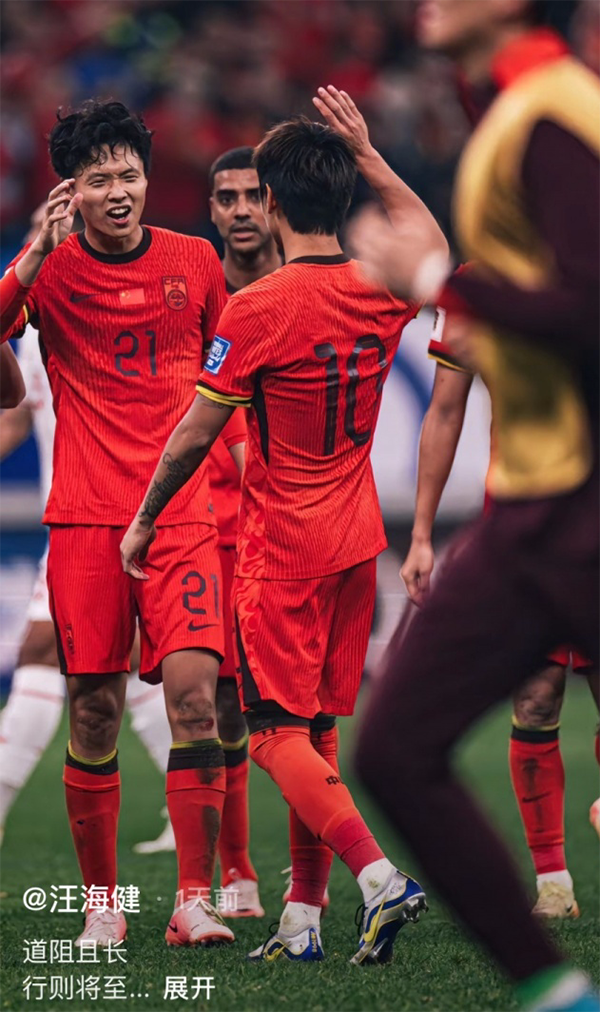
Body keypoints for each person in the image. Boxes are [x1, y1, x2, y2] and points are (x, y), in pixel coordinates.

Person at [120, 89, 448, 965]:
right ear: (343, 194)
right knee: (317, 728)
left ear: (268, 202)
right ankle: (303, 920)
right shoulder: (379, 285)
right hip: (358, 542)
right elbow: (432, 246)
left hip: (285, 549)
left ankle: (379, 876)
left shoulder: (259, 308)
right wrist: (369, 152)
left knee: (269, 734)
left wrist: (145, 518)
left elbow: (196, 433)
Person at [352, 1, 600, 1009]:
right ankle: (558, 992)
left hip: (584, 504)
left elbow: (590, 311)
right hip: (529, 511)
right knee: (394, 750)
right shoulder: (507, 106)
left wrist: (432, 279)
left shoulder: (557, 113)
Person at [0, 99, 240, 949]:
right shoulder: (49, 271)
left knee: (196, 702)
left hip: (181, 520)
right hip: (85, 524)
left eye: (129, 175)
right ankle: (102, 904)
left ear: (146, 178)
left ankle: (194, 901)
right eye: (99, 178)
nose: (119, 191)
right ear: (72, 188)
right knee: (94, 713)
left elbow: (231, 376)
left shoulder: (195, 260)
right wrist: (34, 253)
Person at [400, 291, 600, 919]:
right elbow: (444, 412)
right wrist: (422, 533)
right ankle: (553, 882)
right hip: (524, 528)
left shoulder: (582, 269)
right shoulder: (473, 288)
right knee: (535, 697)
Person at [0, 319, 175, 852]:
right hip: (72, 521)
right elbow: (17, 417)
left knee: (45, 651)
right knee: (130, 663)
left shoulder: (106, 315)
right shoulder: (33, 335)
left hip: (115, 515)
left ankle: (195, 804)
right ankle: (189, 800)